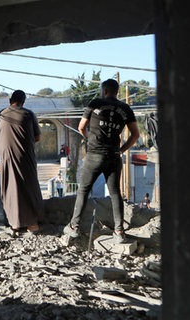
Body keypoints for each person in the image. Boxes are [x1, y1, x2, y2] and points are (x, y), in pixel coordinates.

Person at [63, 79, 140, 244]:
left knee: (83, 191)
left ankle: (74, 227)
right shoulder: (125, 108)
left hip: (94, 156)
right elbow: (135, 135)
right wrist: (122, 149)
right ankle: (119, 231)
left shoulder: (95, 103)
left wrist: (89, 140)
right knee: (115, 193)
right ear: (117, 91)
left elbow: (81, 127)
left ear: (104, 91)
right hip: (113, 156)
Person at [0, 90, 43, 235]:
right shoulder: (28, 114)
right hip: (25, 157)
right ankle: (32, 223)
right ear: (23, 101)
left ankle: (14, 224)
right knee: (29, 187)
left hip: (6, 158)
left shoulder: (1, 115)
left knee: (10, 189)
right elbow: (37, 137)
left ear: (10, 100)